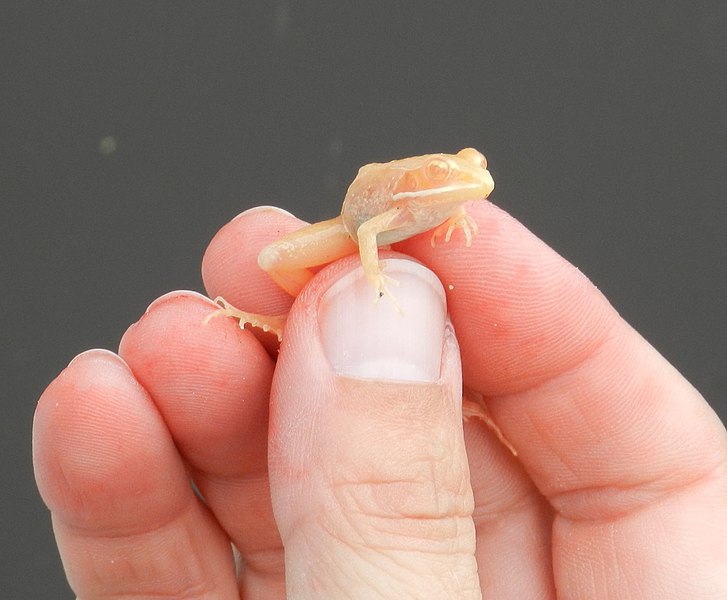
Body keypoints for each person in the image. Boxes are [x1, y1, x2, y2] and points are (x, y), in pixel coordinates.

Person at [33, 203, 727, 598]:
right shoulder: (398, 201)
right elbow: (366, 230)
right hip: (349, 246)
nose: (476, 186)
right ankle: (268, 322)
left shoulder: (438, 200)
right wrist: (373, 283)